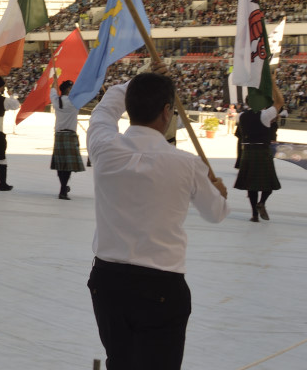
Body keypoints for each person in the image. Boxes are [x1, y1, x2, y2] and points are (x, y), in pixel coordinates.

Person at [86, 69, 229, 369]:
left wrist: (138, 82)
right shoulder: (187, 165)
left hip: (108, 281)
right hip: (160, 285)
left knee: (120, 362)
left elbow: (105, 108)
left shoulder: (104, 148)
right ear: (166, 112)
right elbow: (216, 213)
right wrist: (220, 193)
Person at [234, 84, 286, 222]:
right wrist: (274, 84)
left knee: (251, 186)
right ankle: (261, 203)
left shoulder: (241, 116)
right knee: (268, 184)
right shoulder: (265, 115)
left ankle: (254, 215)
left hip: (248, 152)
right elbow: (280, 102)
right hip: (262, 151)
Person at [49, 79, 85, 199]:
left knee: (61, 165)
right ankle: (63, 189)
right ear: (68, 89)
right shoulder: (74, 102)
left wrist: (54, 80)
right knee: (68, 166)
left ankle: (63, 187)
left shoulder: (56, 101)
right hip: (70, 135)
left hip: (59, 135)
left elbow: (52, 90)